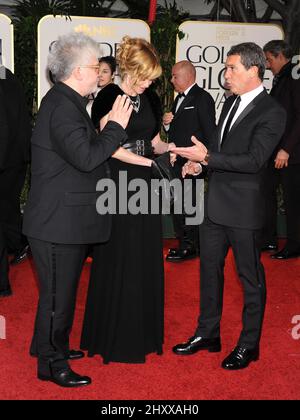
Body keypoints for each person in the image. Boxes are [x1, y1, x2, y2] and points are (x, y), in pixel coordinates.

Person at [22, 32, 133, 388]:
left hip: (61, 220)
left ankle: (46, 349)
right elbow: (87, 158)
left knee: (56, 294)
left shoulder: (66, 102)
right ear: (76, 71)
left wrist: (104, 130)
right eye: (95, 67)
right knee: (59, 298)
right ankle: (53, 365)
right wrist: (115, 126)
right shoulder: (62, 106)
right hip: (58, 223)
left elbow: (80, 152)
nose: (101, 73)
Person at [171, 43, 286, 370]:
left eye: (232, 68)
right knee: (208, 272)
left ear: (253, 70)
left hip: (244, 211)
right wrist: (202, 167)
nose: (226, 75)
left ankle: (249, 345)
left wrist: (206, 157)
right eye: (226, 68)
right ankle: (208, 333)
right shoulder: (230, 101)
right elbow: (222, 152)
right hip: (215, 207)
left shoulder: (273, 111)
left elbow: (253, 161)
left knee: (250, 279)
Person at [81, 36, 173, 364]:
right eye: (146, 76)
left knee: (145, 255)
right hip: (117, 184)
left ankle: (143, 333)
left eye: (152, 78)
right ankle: (116, 337)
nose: (150, 82)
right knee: (121, 254)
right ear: (131, 70)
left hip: (145, 185)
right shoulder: (108, 96)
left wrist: (179, 150)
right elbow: (111, 147)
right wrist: (150, 162)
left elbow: (154, 141)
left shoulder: (147, 97)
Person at [163, 60, 216, 262]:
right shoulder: (178, 99)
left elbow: (210, 132)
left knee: (190, 205)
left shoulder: (203, 98)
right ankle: (185, 244)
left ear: (188, 76)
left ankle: (191, 246)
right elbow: (179, 130)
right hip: (177, 162)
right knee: (180, 205)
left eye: (175, 76)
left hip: (192, 164)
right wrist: (167, 125)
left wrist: (203, 163)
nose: (171, 79)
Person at [262, 40, 300, 259]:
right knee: (266, 192)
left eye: (268, 59)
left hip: (291, 153)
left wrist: (286, 149)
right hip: (277, 151)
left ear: (279, 56)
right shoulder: (283, 77)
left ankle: (295, 244)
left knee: (293, 199)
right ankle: (268, 239)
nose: (267, 65)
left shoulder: (294, 76)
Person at [0, 65, 31, 276]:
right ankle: (19, 243)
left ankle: (20, 243)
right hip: (17, 155)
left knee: (5, 207)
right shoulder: (7, 74)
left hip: (7, 156)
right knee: (7, 206)